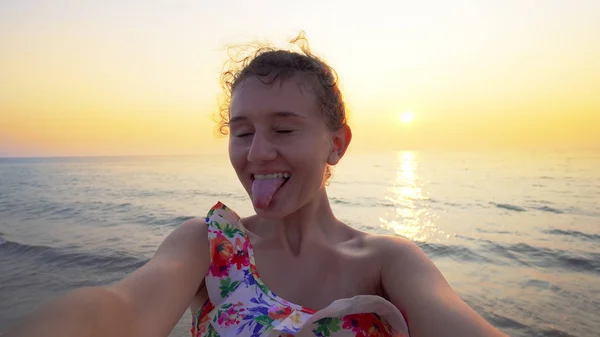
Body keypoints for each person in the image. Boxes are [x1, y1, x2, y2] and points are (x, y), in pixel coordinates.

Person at [6, 32, 506, 337]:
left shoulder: (388, 261)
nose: (256, 152)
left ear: (337, 144)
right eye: (241, 132)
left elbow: (457, 324)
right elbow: (122, 309)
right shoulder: (209, 244)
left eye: (284, 130)